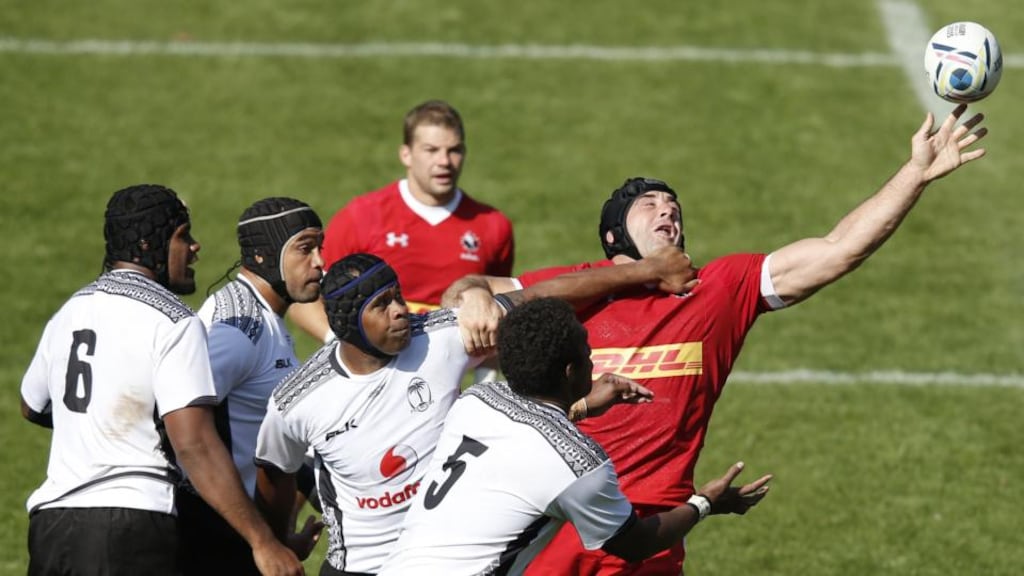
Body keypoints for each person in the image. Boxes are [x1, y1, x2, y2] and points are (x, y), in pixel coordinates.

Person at [447, 105, 989, 575]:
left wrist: (914, 174)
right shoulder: (578, 286)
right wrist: (471, 293)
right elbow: (466, 295)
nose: (668, 209)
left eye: (673, 204)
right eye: (649, 204)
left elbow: (837, 249)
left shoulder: (719, 289)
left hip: (651, 539)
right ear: (614, 236)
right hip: (554, 532)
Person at [255, 250, 699, 575]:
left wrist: (646, 271)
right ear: (348, 325)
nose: (402, 311)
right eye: (382, 305)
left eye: (398, 295)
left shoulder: (441, 337)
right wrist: (276, 539)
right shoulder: (298, 399)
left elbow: (537, 299)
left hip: (448, 555)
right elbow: (274, 473)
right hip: (359, 568)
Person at [19, 185, 302, 576]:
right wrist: (263, 540)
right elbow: (195, 444)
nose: (195, 247)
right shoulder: (172, 320)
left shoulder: (70, 310)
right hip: (130, 528)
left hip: (53, 525)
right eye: (183, 236)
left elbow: (32, 405)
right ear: (149, 243)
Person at [378, 298, 772, 575]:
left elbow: (524, 441)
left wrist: (580, 407)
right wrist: (705, 502)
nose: (593, 361)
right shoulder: (577, 463)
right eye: (587, 354)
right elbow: (633, 544)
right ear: (570, 371)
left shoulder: (478, 400)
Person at [286, 99, 514, 381]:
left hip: (448, 385)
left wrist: (484, 382)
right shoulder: (362, 217)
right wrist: (338, 340)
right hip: (371, 377)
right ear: (406, 154)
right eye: (431, 150)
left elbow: (494, 309)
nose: (444, 161)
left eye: (453, 150)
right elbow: (300, 298)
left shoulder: (492, 225)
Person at [177, 197, 326, 575]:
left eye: (320, 247)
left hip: (239, 535)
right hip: (214, 539)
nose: (320, 262)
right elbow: (175, 421)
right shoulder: (238, 328)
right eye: (305, 249)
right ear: (264, 255)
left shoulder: (265, 317)